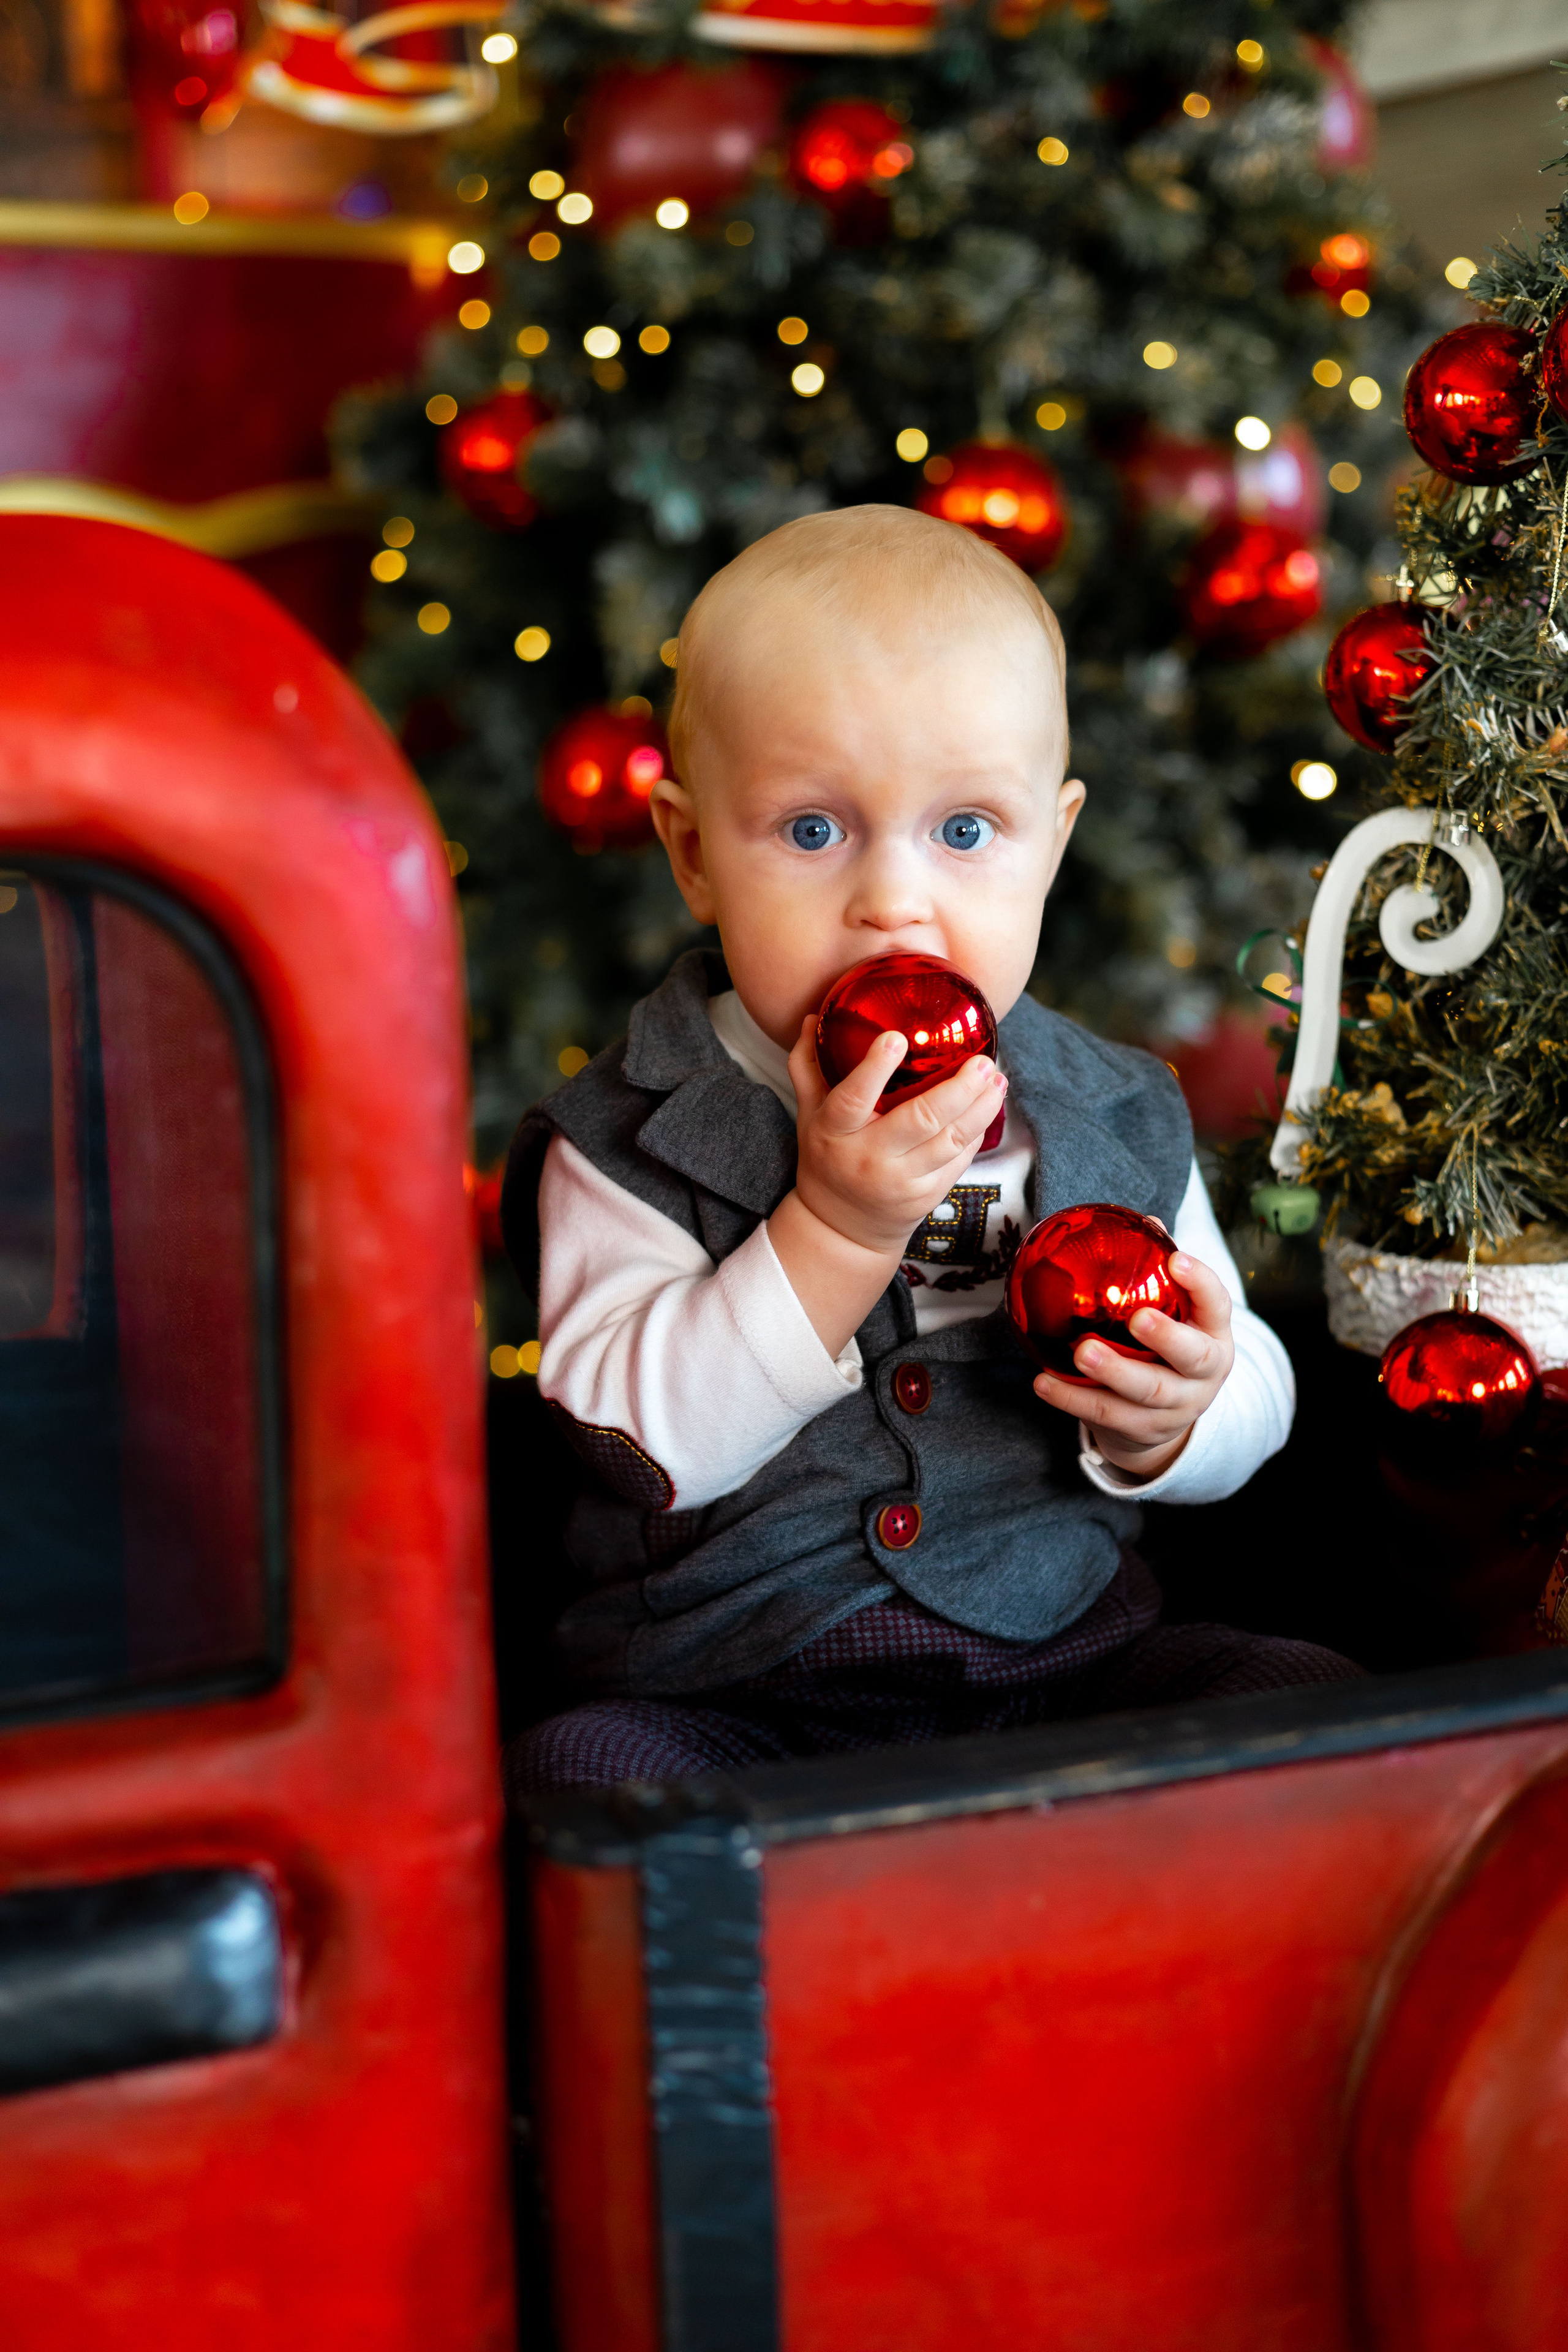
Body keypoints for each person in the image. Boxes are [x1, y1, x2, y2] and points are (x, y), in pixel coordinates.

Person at [501, 506, 1357, 1794]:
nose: (892, 902)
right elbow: (639, 1443)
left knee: (1308, 1702)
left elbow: (1253, 1376)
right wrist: (833, 1231)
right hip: (740, 1699)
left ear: (1050, 847)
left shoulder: (1109, 1108)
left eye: (964, 833)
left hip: (1068, 1667)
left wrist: (1181, 1414)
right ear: (690, 851)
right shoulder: (626, 1136)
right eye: (811, 831)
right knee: (583, 1779)